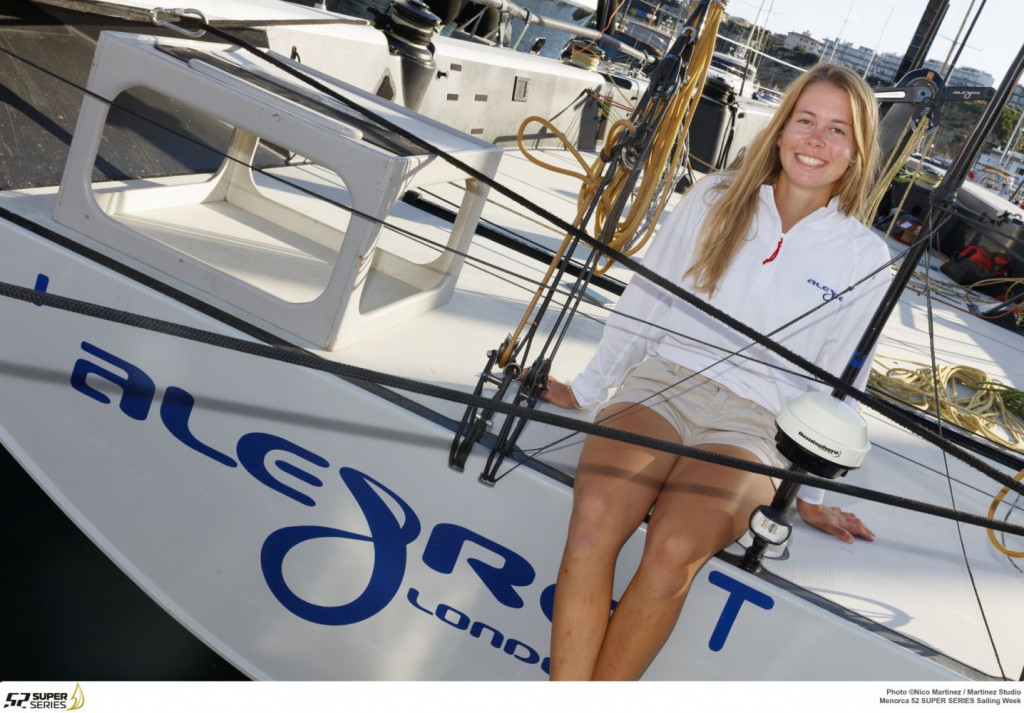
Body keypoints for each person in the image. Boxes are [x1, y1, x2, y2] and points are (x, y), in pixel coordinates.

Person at [540, 64, 891, 680]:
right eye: (805, 121)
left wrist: (812, 493)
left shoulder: (865, 259)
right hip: (662, 383)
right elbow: (646, 299)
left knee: (674, 552)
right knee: (595, 521)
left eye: (838, 130)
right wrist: (589, 388)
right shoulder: (713, 197)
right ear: (781, 130)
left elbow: (840, 387)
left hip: (760, 426)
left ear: (857, 151)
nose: (816, 140)